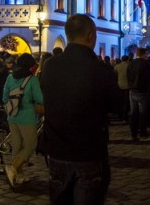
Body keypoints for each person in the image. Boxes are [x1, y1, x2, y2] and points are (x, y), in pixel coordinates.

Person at [40, 14, 119, 204]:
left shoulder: (50, 66)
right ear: (91, 36)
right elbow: (116, 105)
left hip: (57, 149)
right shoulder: (100, 69)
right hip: (88, 151)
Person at [2, 52, 44, 188]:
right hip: (27, 118)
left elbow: (4, 96)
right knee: (30, 145)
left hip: (12, 116)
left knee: (17, 146)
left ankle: (19, 176)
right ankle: (13, 168)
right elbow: (40, 99)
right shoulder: (32, 80)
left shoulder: (10, 77)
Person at [127, 46, 150, 141]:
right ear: (143, 54)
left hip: (132, 90)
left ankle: (133, 133)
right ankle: (142, 132)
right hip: (143, 91)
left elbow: (128, 76)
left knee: (133, 113)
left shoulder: (131, 63)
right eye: (146, 54)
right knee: (143, 113)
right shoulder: (146, 64)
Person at [114, 55, 131, 122]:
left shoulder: (117, 66)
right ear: (127, 60)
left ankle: (120, 115)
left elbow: (114, 76)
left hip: (119, 85)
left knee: (120, 101)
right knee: (126, 102)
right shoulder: (129, 66)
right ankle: (125, 116)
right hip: (127, 86)